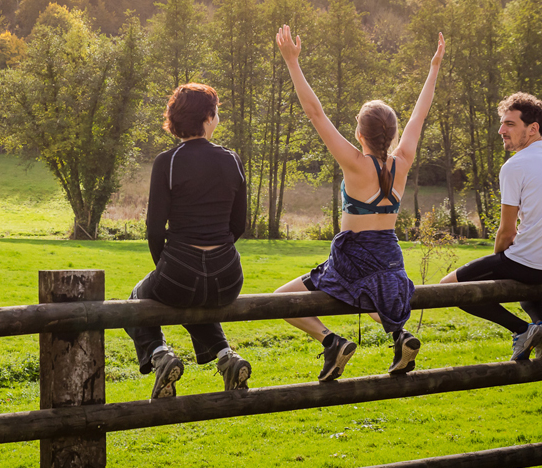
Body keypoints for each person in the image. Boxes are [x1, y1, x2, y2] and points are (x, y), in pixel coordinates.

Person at [273, 26, 445, 380]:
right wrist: (434, 69)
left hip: (352, 259)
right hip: (389, 255)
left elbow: (315, 113)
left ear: (360, 134)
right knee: (374, 293)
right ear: (393, 134)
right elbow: (419, 116)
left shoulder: (355, 163)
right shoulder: (403, 160)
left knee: (280, 300)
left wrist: (292, 62)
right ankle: (401, 336)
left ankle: (331, 341)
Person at [126, 83, 252, 399]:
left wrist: (170, 268)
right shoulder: (232, 160)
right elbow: (240, 225)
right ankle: (226, 358)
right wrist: (216, 250)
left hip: (179, 270)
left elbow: (154, 230)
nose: (218, 117)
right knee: (196, 297)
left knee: (135, 299)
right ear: (208, 117)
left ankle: (159, 355)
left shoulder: (167, 162)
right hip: (227, 276)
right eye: (217, 111)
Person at [439, 92, 542, 361]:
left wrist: (499, 259)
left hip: (531, 264)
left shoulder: (515, 165)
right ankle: (540, 327)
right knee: (522, 259)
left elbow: (507, 232)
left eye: (509, 124)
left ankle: (522, 330)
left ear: (533, 129)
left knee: (448, 288)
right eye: (502, 123)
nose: (501, 130)